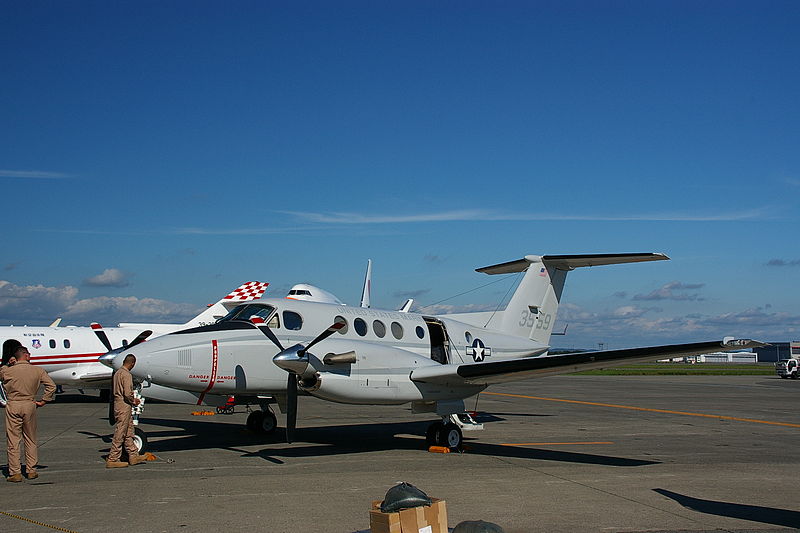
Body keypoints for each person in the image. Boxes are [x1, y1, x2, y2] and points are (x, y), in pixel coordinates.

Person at [0, 346, 56, 482]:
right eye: (28, 354)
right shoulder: (37, 370)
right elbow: (52, 386)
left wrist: (9, 364)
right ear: (25, 355)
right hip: (30, 403)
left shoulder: (8, 371)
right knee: (30, 438)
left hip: (13, 404)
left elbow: (1, 374)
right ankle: (31, 470)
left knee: (13, 439)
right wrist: (44, 400)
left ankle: (15, 472)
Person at [106, 354, 145, 468]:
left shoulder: (117, 373)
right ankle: (113, 458)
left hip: (118, 403)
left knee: (129, 430)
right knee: (121, 431)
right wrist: (134, 400)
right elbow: (127, 393)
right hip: (124, 404)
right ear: (132, 363)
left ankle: (133, 455)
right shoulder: (126, 375)